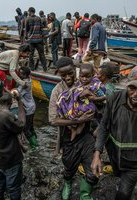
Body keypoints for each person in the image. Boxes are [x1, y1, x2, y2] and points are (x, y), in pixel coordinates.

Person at [91, 64, 137, 200]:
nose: (135, 94)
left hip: (136, 161)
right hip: (115, 154)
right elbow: (104, 126)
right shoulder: (114, 99)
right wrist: (97, 154)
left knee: (124, 194)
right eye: (131, 88)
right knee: (117, 174)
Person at [49, 57, 98, 200]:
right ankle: (68, 183)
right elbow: (53, 120)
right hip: (68, 137)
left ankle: (84, 194)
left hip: (88, 134)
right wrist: (77, 120)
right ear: (58, 74)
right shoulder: (57, 91)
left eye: (70, 73)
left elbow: (100, 102)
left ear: (74, 69)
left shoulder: (84, 82)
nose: (68, 77)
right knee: (69, 167)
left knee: (92, 170)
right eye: (63, 75)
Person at [57, 64, 106, 141]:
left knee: (81, 114)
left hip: (88, 106)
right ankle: (73, 127)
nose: (84, 79)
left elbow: (103, 98)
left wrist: (93, 98)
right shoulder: (78, 83)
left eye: (87, 77)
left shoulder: (95, 85)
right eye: (82, 76)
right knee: (68, 108)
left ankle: (79, 127)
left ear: (92, 75)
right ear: (79, 75)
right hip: (79, 104)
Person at [17, 66, 38, 148]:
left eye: (21, 73)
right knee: (31, 126)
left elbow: (16, 94)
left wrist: (5, 89)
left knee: (26, 129)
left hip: (28, 108)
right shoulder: (29, 80)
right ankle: (35, 140)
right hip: (32, 106)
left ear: (25, 75)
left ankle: (35, 145)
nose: (19, 74)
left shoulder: (24, 84)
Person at [25, 7, 47, 71]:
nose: (28, 13)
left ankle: (32, 69)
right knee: (42, 54)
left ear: (30, 11)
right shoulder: (38, 18)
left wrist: (26, 38)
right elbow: (42, 28)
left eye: (28, 11)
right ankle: (45, 68)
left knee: (30, 55)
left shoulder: (27, 19)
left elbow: (26, 30)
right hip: (39, 39)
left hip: (31, 40)